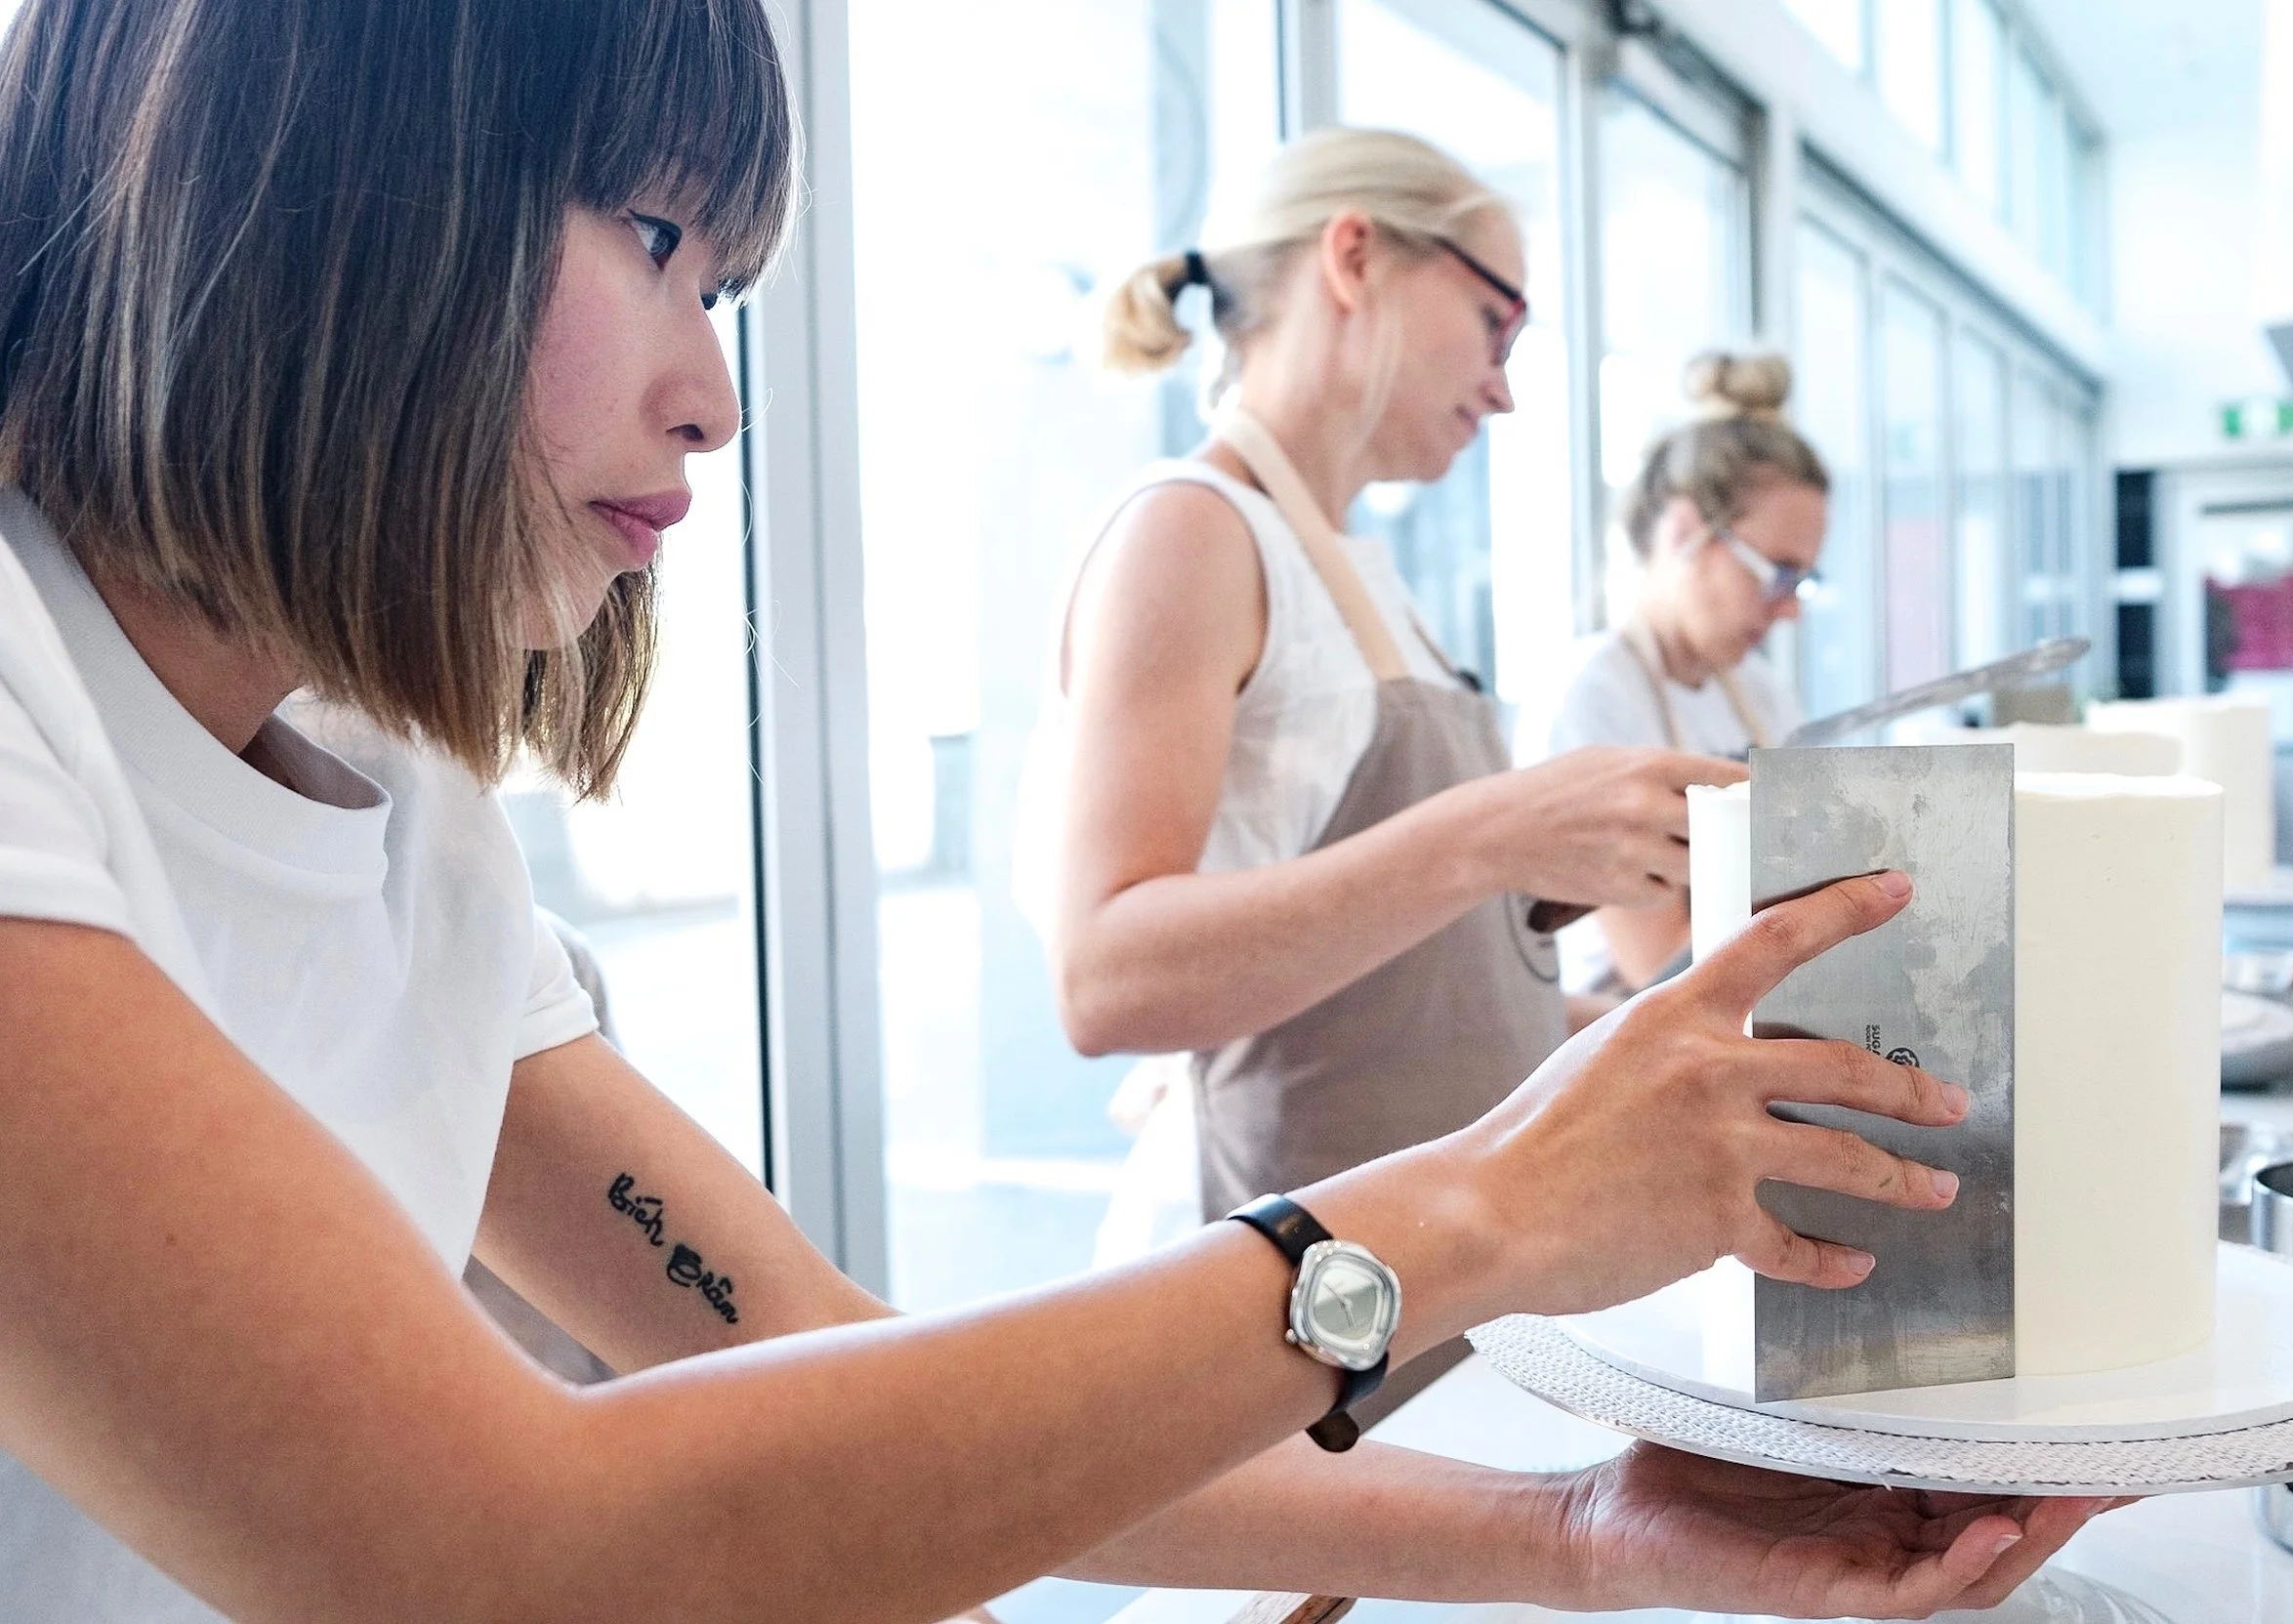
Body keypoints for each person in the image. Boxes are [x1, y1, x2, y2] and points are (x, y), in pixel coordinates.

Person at [0, 4, 2114, 1619]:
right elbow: (507, 1545)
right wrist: (1481, 1204)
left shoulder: (404, 797)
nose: (714, 393)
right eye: (651, 236)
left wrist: (1578, 1530)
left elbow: (813, 1361)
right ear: (315, 164)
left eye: (723, 289)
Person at [1033, 130, 1743, 1267]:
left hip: (1403, 1266)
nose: (1506, 389)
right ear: (1356, 258)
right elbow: (1105, 976)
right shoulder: (1190, 531)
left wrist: (1628, 1030)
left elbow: (1385, 1002)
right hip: (1260, 1289)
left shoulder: (1353, 573)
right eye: (1495, 324)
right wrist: (1495, 833)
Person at [1516, 352, 1827, 995]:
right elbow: (1655, 966)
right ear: (1686, 532)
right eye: (1778, 573)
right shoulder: (1593, 696)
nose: (1791, 607)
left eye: (1803, 581)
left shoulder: (1763, 693)